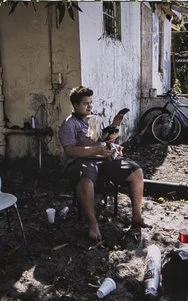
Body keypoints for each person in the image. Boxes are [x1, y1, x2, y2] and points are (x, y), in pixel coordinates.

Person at [58, 86, 144, 243]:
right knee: (85, 182)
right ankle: (93, 224)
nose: (90, 106)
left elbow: (102, 139)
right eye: (86, 103)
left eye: (91, 102)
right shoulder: (68, 125)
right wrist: (95, 149)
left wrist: (113, 132)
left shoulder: (94, 119)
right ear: (75, 105)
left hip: (102, 159)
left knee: (136, 171)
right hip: (80, 162)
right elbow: (70, 151)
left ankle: (137, 216)